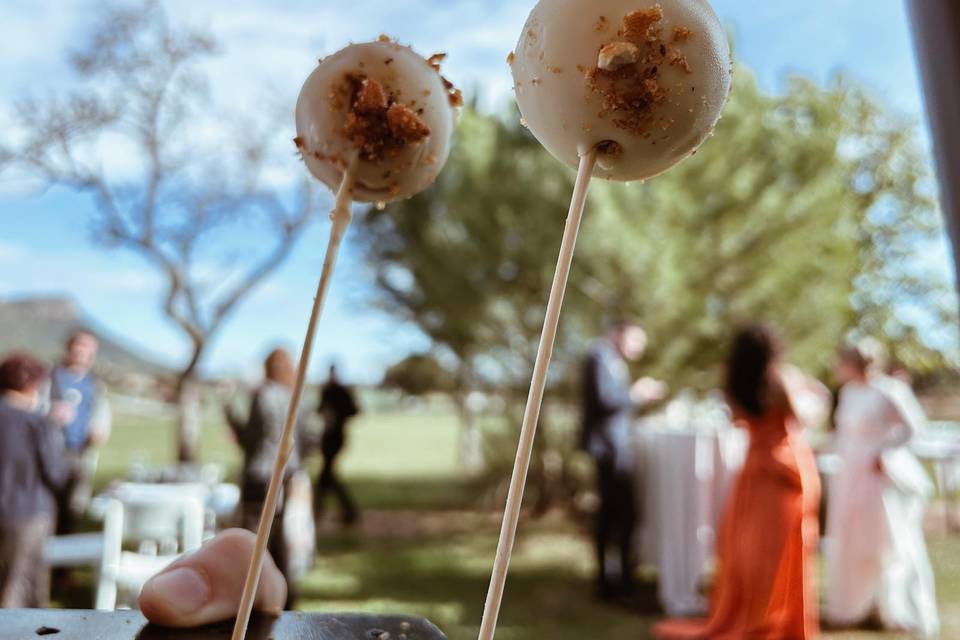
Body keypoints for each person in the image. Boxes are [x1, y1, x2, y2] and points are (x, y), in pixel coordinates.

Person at [655, 325, 826, 639]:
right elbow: (801, 417)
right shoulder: (780, 378)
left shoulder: (736, 384)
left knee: (750, 553)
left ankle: (753, 614)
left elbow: (736, 419)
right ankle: (779, 620)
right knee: (786, 550)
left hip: (755, 472)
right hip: (787, 466)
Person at [825, 340, 939, 637]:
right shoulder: (848, 392)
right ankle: (855, 606)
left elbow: (915, 428)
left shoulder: (890, 390)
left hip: (878, 476)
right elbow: (841, 433)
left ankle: (895, 608)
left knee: (888, 541)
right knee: (852, 539)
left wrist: (884, 452)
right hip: (850, 473)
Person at [580, 320, 666, 601]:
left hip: (617, 447)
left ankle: (619, 579)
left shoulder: (613, 360)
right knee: (616, 515)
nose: (639, 348)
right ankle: (611, 583)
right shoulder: (599, 355)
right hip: (608, 450)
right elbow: (605, 400)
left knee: (621, 515)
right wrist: (636, 395)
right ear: (619, 333)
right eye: (636, 341)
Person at [225, 348, 307, 609]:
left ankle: (257, 599)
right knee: (283, 539)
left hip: (261, 476)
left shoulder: (263, 394)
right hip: (289, 475)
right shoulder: (295, 396)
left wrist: (229, 414)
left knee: (257, 541)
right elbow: (307, 438)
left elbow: (252, 440)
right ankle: (284, 598)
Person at [0, 353, 67, 607]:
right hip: (27, 514)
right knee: (22, 590)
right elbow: (55, 473)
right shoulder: (37, 423)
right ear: (32, 386)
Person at [47, 330, 111, 536]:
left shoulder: (94, 384)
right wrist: (50, 414)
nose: (83, 352)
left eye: (88, 348)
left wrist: (99, 430)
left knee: (73, 508)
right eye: (79, 346)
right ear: (69, 347)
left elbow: (102, 413)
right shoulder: (50, 377)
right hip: (50, 452)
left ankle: (63, 565)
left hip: (81, 454)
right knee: (46, 508)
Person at [315, 364, 359, 526]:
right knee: (327, 476)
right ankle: (342, 511)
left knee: (327, 475)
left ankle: (345, 511)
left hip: (337, 437)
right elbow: (319, 409)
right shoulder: (327, 390)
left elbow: (354, 411)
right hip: (327, 437)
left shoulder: (341, 391)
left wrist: (338, 416)